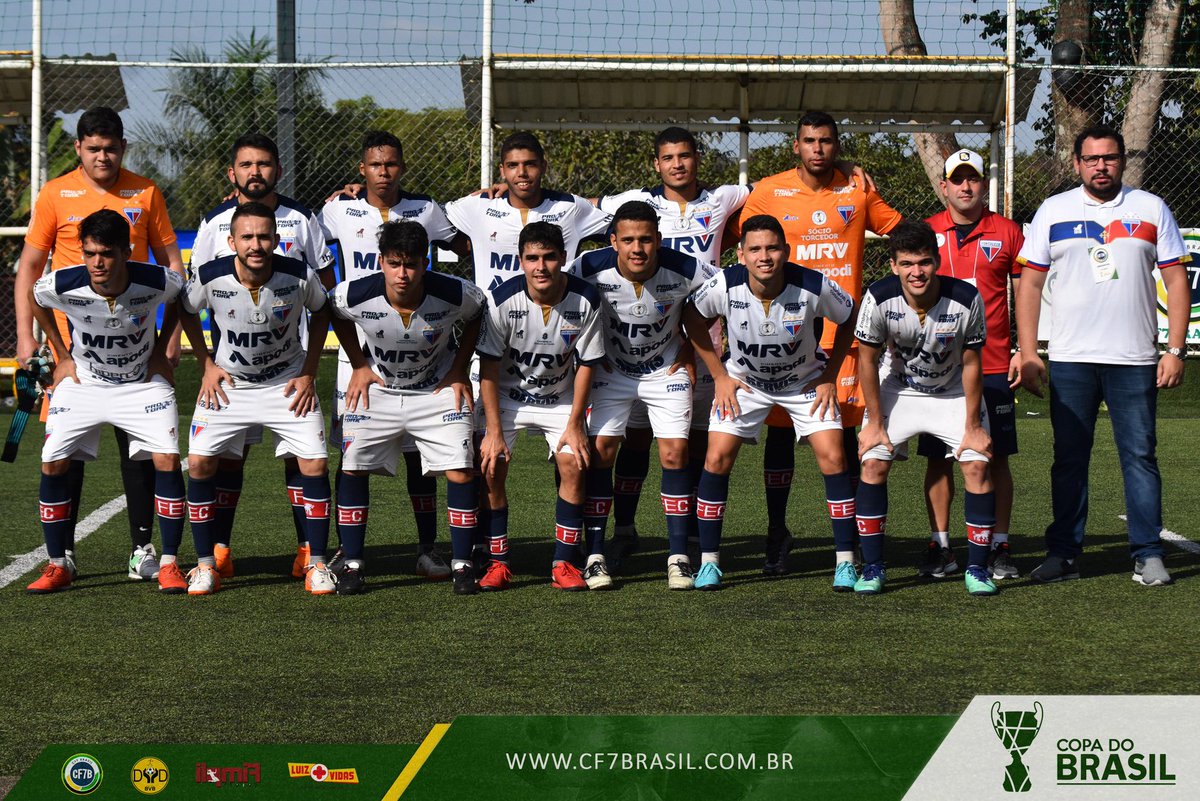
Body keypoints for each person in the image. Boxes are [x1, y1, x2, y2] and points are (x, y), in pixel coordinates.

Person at [14, 106, 186, 582]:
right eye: (93, 148)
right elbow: (30, 269)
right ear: (78, 149)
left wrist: (168, 339)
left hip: (134, 340)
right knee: (63, 453)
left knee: (142, 450)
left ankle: (142, 549)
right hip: (74, 351)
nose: (102, 156)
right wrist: (30, 339)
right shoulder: (55, 193)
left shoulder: (144, 191)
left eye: (111, 148)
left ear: (123, 147)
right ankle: (62, 556)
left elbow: (172, 263)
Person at [1015, 124, 1190, 587]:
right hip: (1071, 359)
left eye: (1109, 158)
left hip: (1135, 359)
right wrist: (1029, 351)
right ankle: (1064, 555)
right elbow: (1029, 283)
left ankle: (1148, 554)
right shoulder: (1053, 210)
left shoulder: (1151, 208)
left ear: (1122, 160)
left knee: (1140, 456)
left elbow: (1175, 280)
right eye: (1091, 159)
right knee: (1069, 458)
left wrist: (1175, 350)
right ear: (1076, 163)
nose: (1101, 166)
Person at [732, 110, 904, 575]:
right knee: (780, 437)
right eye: (809, 141)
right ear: (796, 145)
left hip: (842, 338)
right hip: (784, 338)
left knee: (843, 441)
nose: (818, 149)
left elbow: (901, 233)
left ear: (837, 146)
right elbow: (735, 238)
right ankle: (776, 532)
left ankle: (847, 543)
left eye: (826, 141)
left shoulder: (858, 188)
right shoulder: (768, 191)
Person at [596, 126, 749, 570]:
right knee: (637, 441)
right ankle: (624, 529)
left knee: (692, 443)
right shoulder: (639, 203)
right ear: (656, 163)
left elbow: (774, 190)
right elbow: (583, 207)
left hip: (703, 342)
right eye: (668, 157)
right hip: (646, 346)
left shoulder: (721, 198)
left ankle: (694, 536)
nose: (677, 164)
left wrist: (845, 173)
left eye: (685, 156)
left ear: (697, 158)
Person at [320, 130, 470, 582]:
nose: (383, 173)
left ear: (401, 168)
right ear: (362, 169)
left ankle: (428, 549)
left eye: (391, 165)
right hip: (362, 354)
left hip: (422, 340)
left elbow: (465, 246)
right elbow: (309, 246)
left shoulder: (425, 209)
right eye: (374, 165)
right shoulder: (336, 207)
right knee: (350, 456)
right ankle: (344, 554)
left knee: (418, 453)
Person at [189, 132, 335, 582]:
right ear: (233, 172)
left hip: (287, 374)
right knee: (221, 460)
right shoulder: (213, 224)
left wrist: (310, 371)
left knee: (305, 459)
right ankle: (215, 554)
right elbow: (192, 299)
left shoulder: (302, 220)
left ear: (277, 169)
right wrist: (206, 364)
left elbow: (324, 292)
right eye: (247, 165)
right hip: (232, 374)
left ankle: (310, 554)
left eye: (264, 164)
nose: (256, 172)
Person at [686, 214, 857, 591]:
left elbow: (850, 316)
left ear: (786, 251)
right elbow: (692, 318)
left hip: (804, 382)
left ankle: (845, 561)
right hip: (745, 383)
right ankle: (710, 563)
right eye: (756, 249)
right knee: (716, 458)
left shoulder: (813, 285)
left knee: (834, 457)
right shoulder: (724, 284)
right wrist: (719, 376)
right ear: (742, 255)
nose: (765, 257)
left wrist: (829, 376)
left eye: (773, 248)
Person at [327, 221, 484, 595]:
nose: (402, 273)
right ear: (380, 261)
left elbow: (478, 312)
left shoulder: (455, 293)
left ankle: (462, 566)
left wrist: (460, 368)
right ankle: (352, 564)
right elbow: (332, 313)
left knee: (461, 471)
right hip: (379, 389)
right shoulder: (353, 294)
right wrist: (359, 365)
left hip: (436, 391)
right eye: (394, 263)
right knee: (352, 468)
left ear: (425, 263)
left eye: (411, 264)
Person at [568, 201, 715, 590]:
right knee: (601, 453)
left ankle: (679, 556)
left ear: (658, 240)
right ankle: (596, 554)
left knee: (675, 453)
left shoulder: (686, 268)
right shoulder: (586, 266)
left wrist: (689, 347)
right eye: (628, 240)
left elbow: (722, 293)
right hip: (610, 370)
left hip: (664, 370)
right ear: (613, 241)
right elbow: (564, 299)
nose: (638, 248)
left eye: (646, 240)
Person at [853, 220, 996, 596]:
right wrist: (875, 422)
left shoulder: (966, 297)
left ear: (937, 261)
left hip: (951, 392)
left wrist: (973, 426)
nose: (917, 272)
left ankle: (978, 569)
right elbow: (866, 362)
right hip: (900, 389)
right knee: (872, 460)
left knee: (978, 463)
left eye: (925, 262)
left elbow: (971, 363)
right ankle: (872, 568)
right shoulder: (878, 297)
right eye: (907, 263)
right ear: (893, 265)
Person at [476, 222, 606, 590]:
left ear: (563, 259)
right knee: (490, 463)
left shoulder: (586, 299)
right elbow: (487, 368)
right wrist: (494, 432)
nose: (541, 266)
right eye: (532, 258)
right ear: (520, 260)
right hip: (506, 396)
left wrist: (576, 423)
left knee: (574, 460)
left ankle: (564, 562)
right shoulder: (501, 300)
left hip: (561, 397)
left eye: (549, 257)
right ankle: (497, 560)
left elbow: (585, 365)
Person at [917, 149, 1024, 581]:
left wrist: (1025, 348)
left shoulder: (1009, 232)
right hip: (936, 369)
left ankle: (998, 545)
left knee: (993, 458)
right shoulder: (926, 232)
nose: (965, 187)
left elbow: (1028, 294)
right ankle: (941, 546)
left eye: (973, 179)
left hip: (994, 363)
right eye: (956, 180)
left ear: (984, 184)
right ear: (943, 186)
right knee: (938, 459)